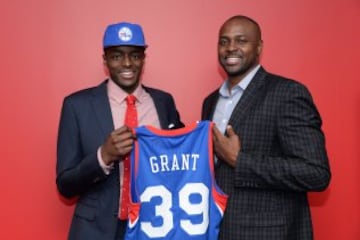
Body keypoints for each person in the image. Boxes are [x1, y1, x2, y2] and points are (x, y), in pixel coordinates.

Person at [201, 15, 331, 240]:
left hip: (270, 233)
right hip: (218, 230)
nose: (231, 48)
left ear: (259, 46)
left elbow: (316, 173)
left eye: (241, 41)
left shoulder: (287, 93)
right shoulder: (210, 101)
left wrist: (240, 160)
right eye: (224, 41)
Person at [56, 21, 184, 240]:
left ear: (144, 58)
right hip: (95, 231)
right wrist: (102, 156)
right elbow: (65, 185)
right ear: (105, 60)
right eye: (117, 56)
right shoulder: (76, 106)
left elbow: (180, 161)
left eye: (135, 55)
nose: (127, 63)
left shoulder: (164, 102)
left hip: (155, 227)